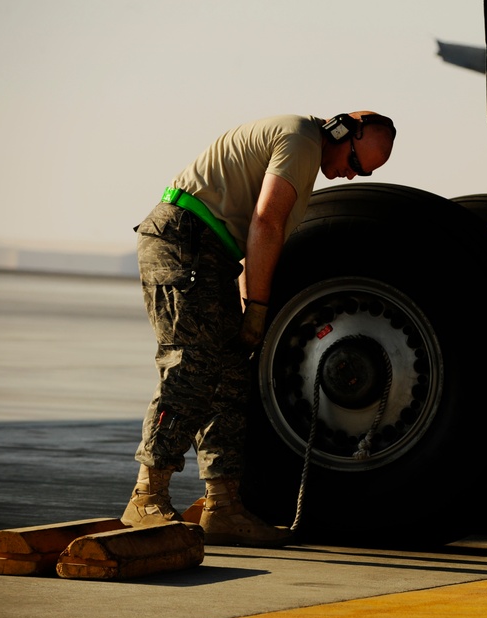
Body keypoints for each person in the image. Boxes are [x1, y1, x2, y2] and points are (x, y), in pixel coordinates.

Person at [121, 112, 396, 546]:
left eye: (364, 173)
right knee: (191, 366)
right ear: (343, 131)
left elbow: (259, 237)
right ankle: (146, 495)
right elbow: (266, 223)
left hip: (211, 253)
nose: (350, 175)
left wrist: (252, 312)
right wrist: (258, 307)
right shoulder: (302, 139)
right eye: (357, 163)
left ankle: (222, 506)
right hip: (183, 239)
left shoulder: (304, 153)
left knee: (230, 376)